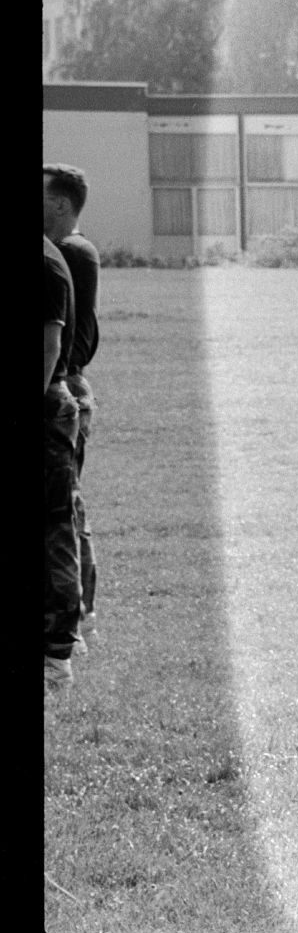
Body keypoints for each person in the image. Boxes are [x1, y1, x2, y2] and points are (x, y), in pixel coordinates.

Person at [44, 163, 101, 644]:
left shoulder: (65, 253)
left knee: (64, 511)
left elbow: (68, 337)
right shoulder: (77, 252)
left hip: (65, 385)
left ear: (60, 203)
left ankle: (76, 617)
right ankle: (81, 612)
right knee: (69, 507)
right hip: (72, 386)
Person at [43, 234, 82, 693]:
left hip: (48, 406)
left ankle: (57, 657)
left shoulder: (45, 263)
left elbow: (48, 347)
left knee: (54, 527)